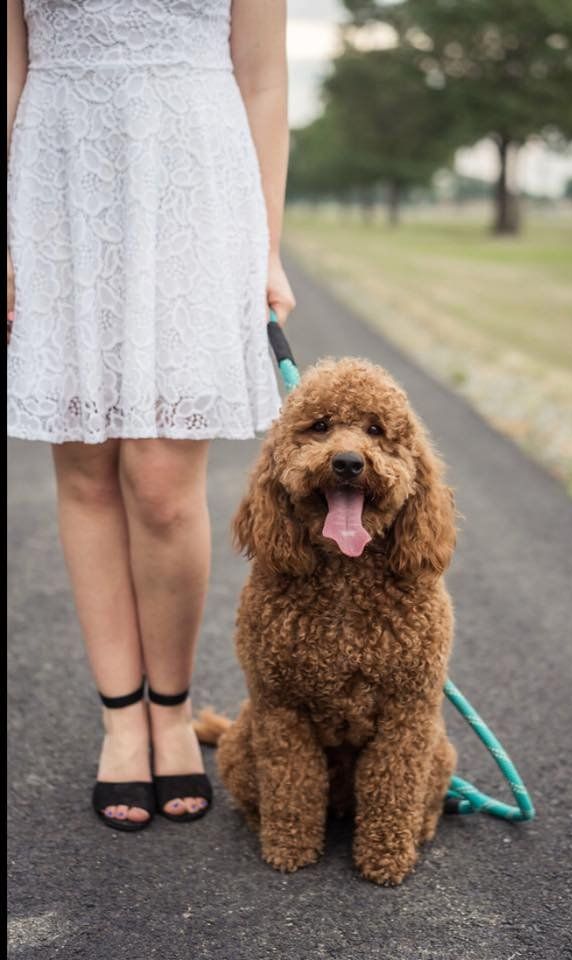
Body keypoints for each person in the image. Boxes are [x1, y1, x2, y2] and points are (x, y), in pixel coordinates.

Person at [6, 0, 294, 831]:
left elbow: (265, 78)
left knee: (163, 480)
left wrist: (266, 245)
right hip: (56, 176)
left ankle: (172, 708)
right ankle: (120, 720)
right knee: (88, 466)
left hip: (194, 181)